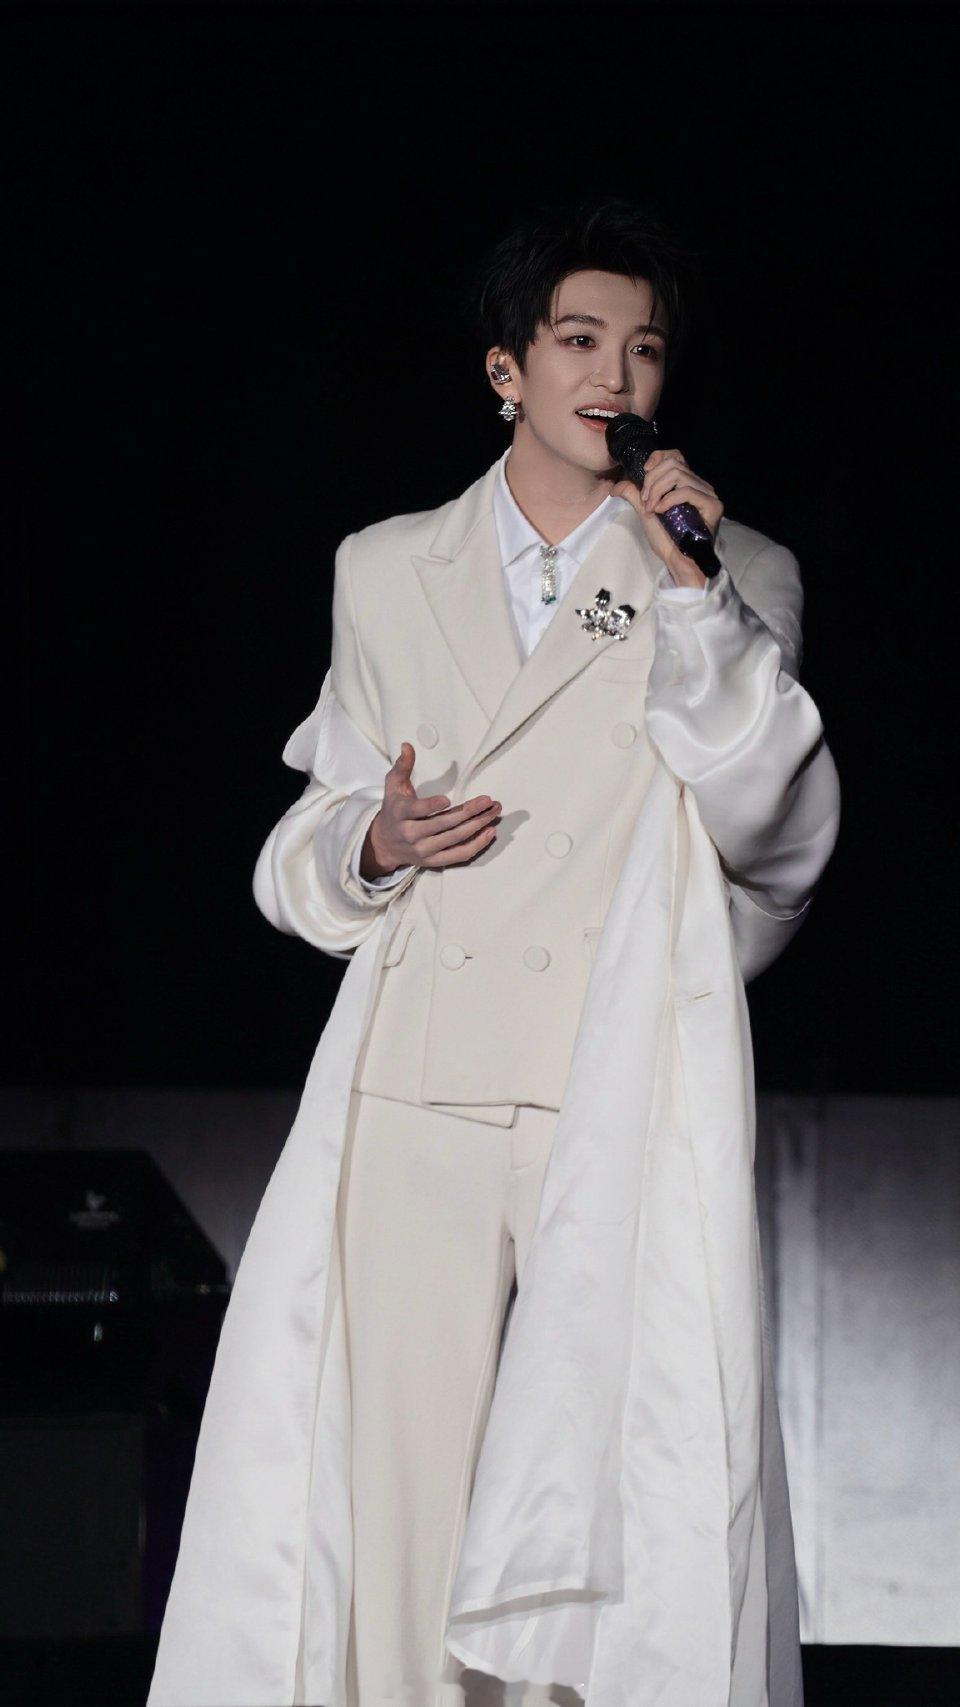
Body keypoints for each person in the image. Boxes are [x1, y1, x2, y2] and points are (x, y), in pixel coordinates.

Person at [147, 197, 840, 1707]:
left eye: (643, 349)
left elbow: (775, 828)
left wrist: (696, 600)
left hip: (611, 1087)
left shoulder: (732, 573)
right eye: (579, 340)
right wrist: (373, 841)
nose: (615, 375)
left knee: (601, 1508)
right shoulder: (386, 566)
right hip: (422, 1085)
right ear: (506, 371)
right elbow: (308, 837)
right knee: (399, 1502)